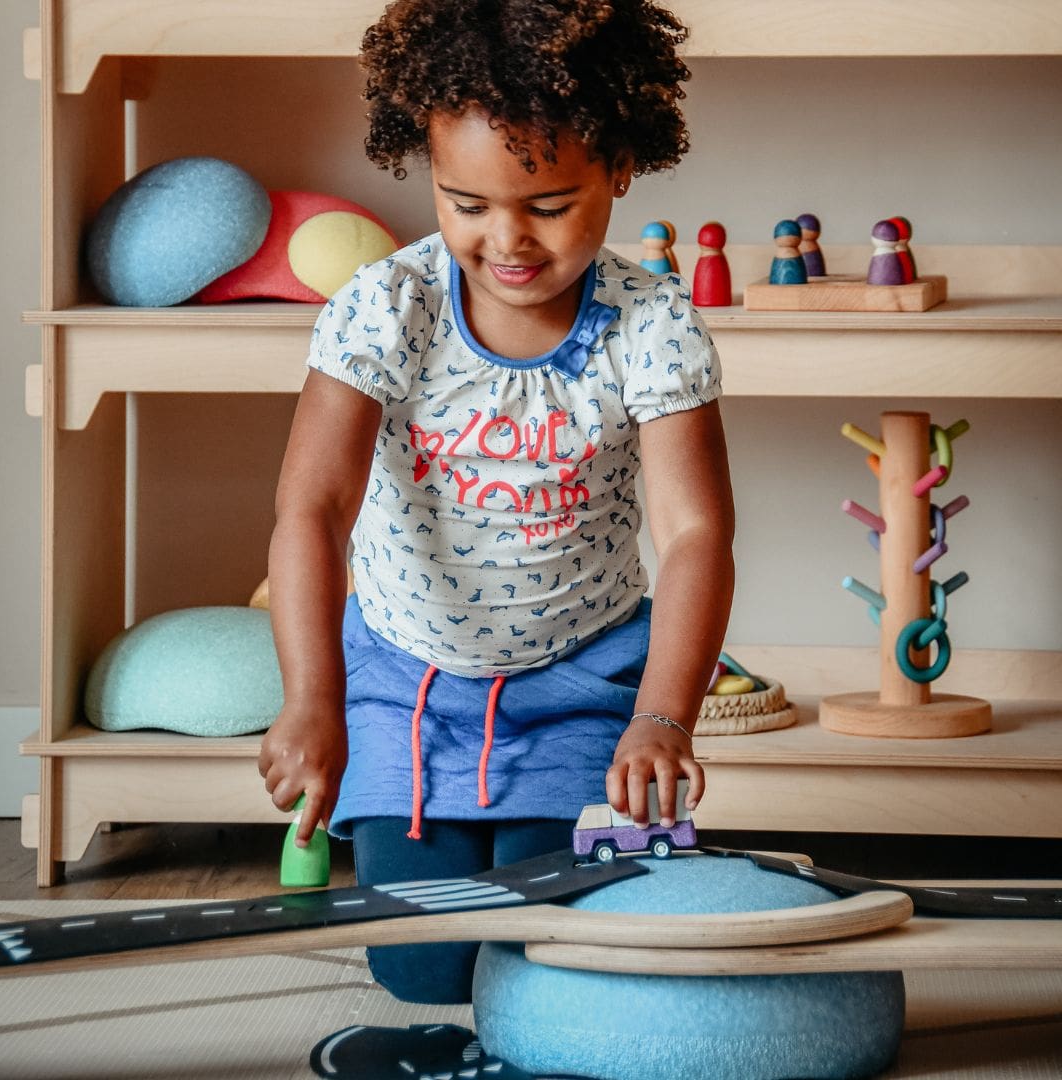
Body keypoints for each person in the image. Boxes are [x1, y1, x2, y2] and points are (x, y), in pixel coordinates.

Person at [258, 0, 735, 1004]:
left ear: (619, 171)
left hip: (578, 686)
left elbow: (695, 533)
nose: (507, 240)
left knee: (549, 951)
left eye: (549, 205)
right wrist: (312, 699)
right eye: (465, 203)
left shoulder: (651, 326)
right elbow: (312, 509)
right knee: (426, 973)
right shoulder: (385, 309)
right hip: (404, 687)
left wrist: (663, 717)